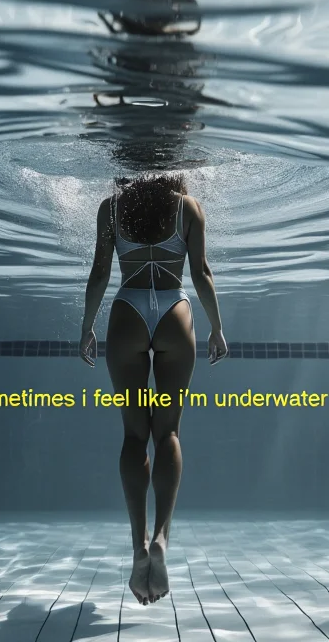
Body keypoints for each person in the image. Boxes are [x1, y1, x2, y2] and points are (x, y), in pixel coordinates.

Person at [79, 172, 227, 605]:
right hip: (174, 312)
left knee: (133, 436)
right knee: (169, 434)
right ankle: (162, 537)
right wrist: (217, 327)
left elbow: (100, 271)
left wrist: (87, 327)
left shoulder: (111, 207)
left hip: (127, 310)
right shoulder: (189, 206)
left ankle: (138, 543)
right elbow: (199, 272)